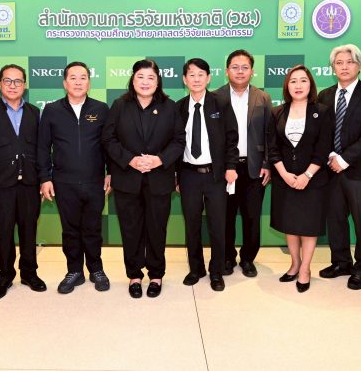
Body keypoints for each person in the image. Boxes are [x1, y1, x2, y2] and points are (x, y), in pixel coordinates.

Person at [102, 59, 185, 299]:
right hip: (127, 179)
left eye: (151, 78)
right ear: (133, 80)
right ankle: (134, 275)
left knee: (157, 229)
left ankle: (156, 275)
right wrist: (130, 160)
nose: (145, 82)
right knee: (131, 230)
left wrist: (160, 160)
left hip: (159, 179)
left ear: (158, 82)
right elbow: (108, 139)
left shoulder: (170, 107)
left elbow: (179, 140)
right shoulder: (120, 105)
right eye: (140, 77)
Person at [37, 61, 112, 294]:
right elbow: (42, 147)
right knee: (70, 230)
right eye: (73, 78)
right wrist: (45, 178)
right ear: (64, 83)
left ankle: (96, 269)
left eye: (83, 78)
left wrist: (110, 172)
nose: (78, 82)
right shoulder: (52, 110)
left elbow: (109, 144)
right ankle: (74, 271)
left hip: (94, 181)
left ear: (89, 82)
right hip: (63, 182)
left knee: (93, 228)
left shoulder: (101, 109)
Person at [0, 64, 45, 300]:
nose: (13, 86)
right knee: (3, 233)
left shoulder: (35, 112)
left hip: (30, 184)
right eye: (8, 81)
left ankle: (29, 274)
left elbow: (43, 149)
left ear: (25, 85)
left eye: (18, 81)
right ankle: (4, 276)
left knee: (29, 231)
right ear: (0, 83)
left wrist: (44, 179)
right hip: (0, 185)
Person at [317, 44, 361, 290]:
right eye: (339, 63)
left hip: (360, 170)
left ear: (359, 65)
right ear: (333, 67)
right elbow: (321, 132)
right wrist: (330, 157)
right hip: (331, 169)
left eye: (350, 62)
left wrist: (344, 159)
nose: (344, 67)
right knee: (335, 218)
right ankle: (341, 262)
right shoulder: (324, 95)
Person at [268, 65, 333, 293]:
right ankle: (294, 264)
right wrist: (284, 174)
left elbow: (323, 148)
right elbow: (272, 148)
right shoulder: (277, 112)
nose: (298, 85)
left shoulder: (322, 111)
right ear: (287, 86)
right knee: (290, 224)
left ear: (310, 85)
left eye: (303, 80)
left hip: (313, 179)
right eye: (293, 81)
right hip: (285, 179)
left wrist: (307, 175)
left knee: (308, 226)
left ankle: (305, 269)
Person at [177, 58, 239, 292]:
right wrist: (175, 176)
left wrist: (231, 166)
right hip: (188, 175)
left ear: (209, 78)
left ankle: (216, 271)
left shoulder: (221, 103)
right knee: (192, 224)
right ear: (185, 79)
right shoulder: (178, 107)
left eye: (201, 74)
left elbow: (232, 138)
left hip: (215, 175)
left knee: (217, 225)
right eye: (191, 75)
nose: (196, 79)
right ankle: (196, 269)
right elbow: (173, 143)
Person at [215, 49, 273, 278]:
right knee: (225, 216)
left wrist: (267, 164)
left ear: (252, 71)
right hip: (225, 168)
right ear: (226, 71)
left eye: (245, 67)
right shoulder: (215, 96)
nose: (240, 71)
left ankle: (248, 258)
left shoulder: (263, 98)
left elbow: (269, 134)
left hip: (254, 167)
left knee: (252, 217)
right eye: (235, 67)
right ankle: (227, 257)